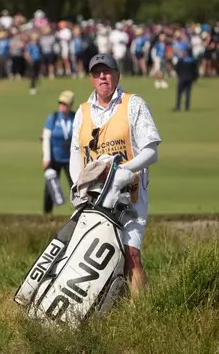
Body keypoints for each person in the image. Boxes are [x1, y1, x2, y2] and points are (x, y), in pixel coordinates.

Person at [69, 53, 161, 298]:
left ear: (117, 75)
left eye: (107, 71)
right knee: (91, 260)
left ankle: (139, 313)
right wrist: (79, 188)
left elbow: (151, 152)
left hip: (130, 194)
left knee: (131, 254)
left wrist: (122, 172)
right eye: (97, 72)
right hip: (94, 197)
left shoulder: (134, 104)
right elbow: (76, 155)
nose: (103, 76)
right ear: (91, 79)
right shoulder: (82, 111)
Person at [41, 90, 75, 214]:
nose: (62, 107)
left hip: (70, 159)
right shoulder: (53, 117)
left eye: (65, 104)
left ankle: (80, 212)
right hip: (55, 158)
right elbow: (46, 137)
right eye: (61, 104)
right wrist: (46, 158)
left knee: (76, 186)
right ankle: (47, 213)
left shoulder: (75, 117)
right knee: (50, 186)